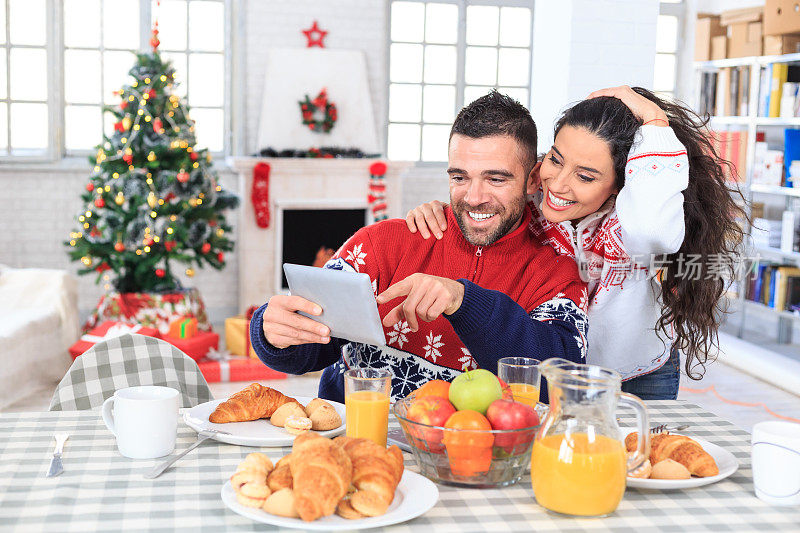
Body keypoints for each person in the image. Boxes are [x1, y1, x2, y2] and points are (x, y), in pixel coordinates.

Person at [406, 86, 745, 400]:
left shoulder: (635, 219)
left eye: (585, 176)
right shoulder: (533, 193)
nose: (559, 184)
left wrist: (654, 121)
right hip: (553, 372)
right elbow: (486, 196)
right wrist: (444, 211)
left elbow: (652, 230)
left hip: (634, 373)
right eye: (556, 159)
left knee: (635, 460)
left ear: (619, 184)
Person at [249, 91, 589, 403]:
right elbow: (312, 345)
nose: (474, 197)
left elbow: (559, 381)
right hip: (355, 446)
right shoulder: (382, 242)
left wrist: (463, 300)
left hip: (469, 460)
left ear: (532, 178)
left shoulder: (555, 273)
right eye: (460, 177)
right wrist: (272, 331)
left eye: (496, 179)